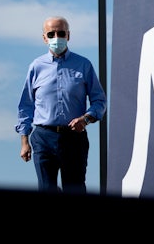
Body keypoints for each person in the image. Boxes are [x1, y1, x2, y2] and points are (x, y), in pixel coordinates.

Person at [16, 16, 107, 193]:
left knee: (75, 189)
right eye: (51, 34)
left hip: (73, 137)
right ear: (44, 38)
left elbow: (99, 101)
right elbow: (26, 105)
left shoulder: (83, 65)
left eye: (61, 33)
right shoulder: (36, 67)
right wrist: (24, 141)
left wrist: (86, 119)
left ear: (68, 35)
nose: (56, 37)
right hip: (43, 137)